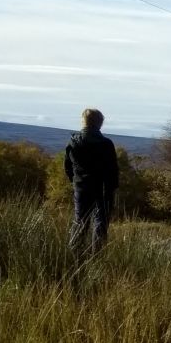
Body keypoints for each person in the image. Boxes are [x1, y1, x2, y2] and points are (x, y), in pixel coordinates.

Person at [64, 108, 118, 255]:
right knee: (100, 224)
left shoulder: (73, 142)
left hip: (81, 188)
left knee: (80, 221)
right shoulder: (106, 144)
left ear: (84, 121)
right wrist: (112, 189)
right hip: (103, 189)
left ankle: (74, 256)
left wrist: (76, 181)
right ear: (100, 123)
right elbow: (113, 170)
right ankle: (97, 257)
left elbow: (68, 168)